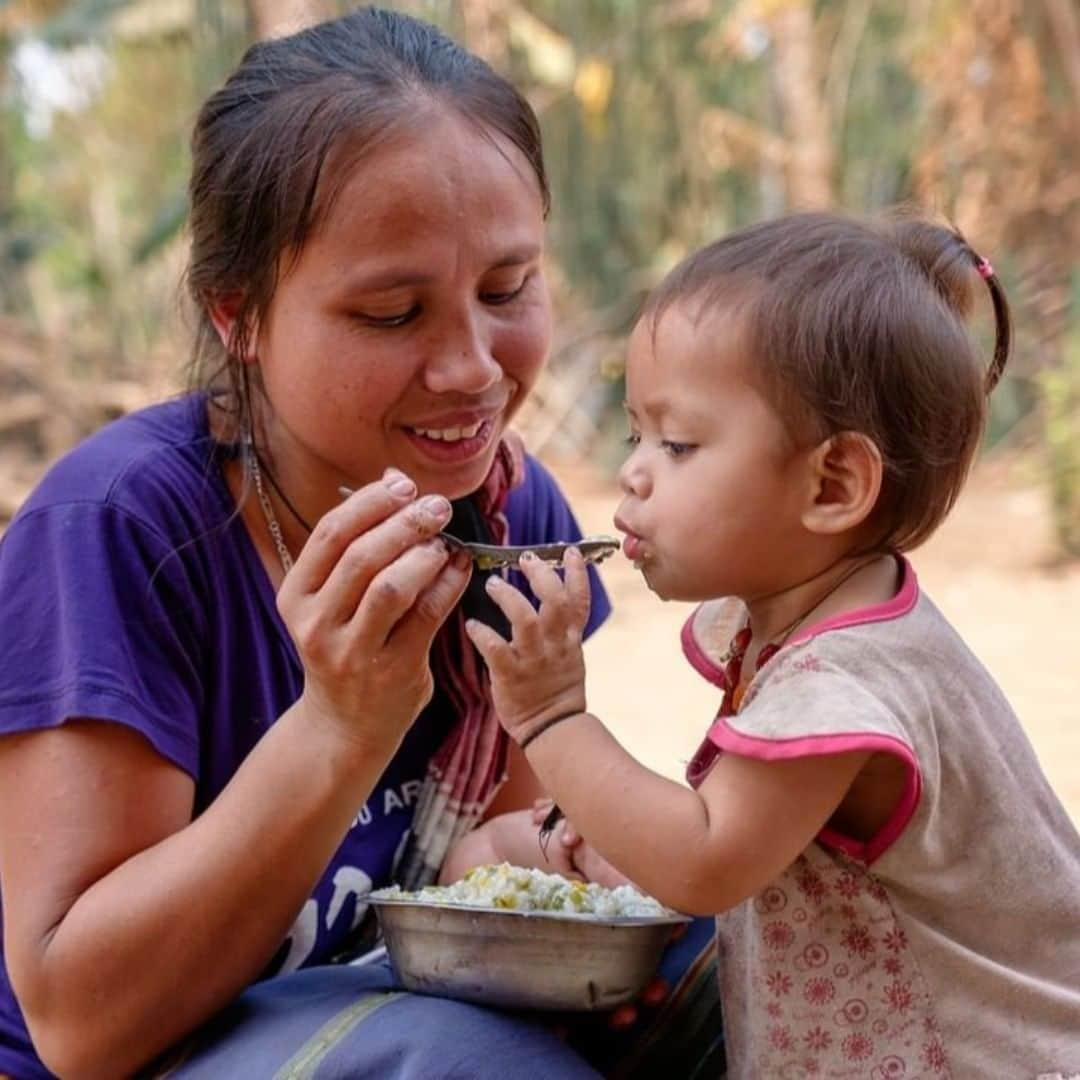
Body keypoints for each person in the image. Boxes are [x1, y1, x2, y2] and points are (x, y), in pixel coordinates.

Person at [0, 9, 726, 1079]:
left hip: (377, 1004)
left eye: (507, 289)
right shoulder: (120, 531)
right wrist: (340, 724)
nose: (474, 368)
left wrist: (575, 856)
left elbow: (490, 872)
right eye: (394, 313)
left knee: (748, 953)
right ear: (238, 312)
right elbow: (81, 1026)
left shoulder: (507, 523)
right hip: (158, 1054)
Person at [468, 211, 1080, 1077]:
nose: (634, 469)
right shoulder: (827, 625)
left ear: (833, 483)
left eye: (677, 443)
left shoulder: (847, 680)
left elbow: (706, 859)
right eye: (638, 433)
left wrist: (553, 716)